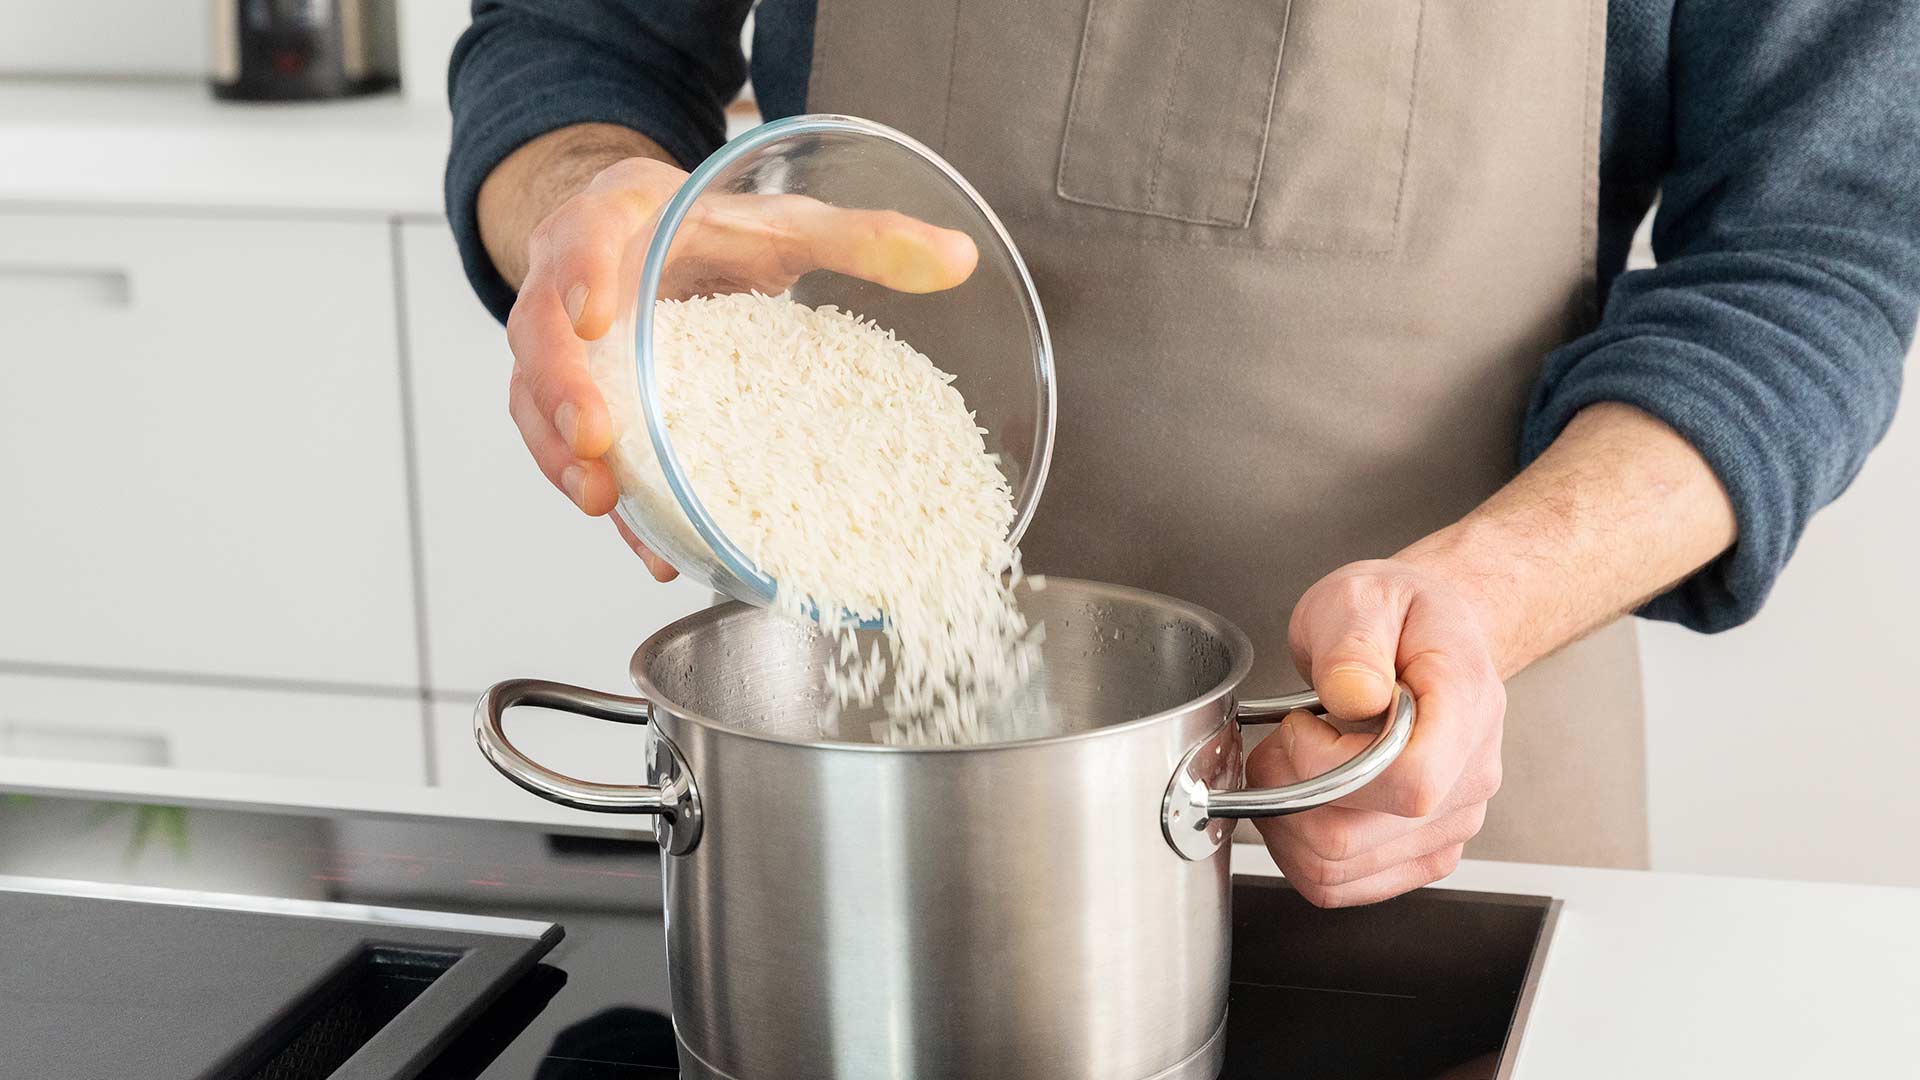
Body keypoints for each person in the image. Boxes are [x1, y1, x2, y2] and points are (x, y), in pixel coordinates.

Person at [446, 0, 1920, 906]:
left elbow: (1815, 251)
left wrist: (1485, 601)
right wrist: (586, 203)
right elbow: (574, 40)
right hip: (855, 799)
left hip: (1429, 798)